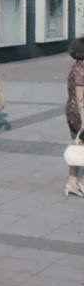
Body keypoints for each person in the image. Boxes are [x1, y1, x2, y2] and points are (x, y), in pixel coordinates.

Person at [64, 39, 84, 197]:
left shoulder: (77, 66)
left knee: (79, 146)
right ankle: (82, 183)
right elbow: (81, 98)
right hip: (80, 113)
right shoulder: (81, 69)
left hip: (72, 111)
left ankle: (72, 183)